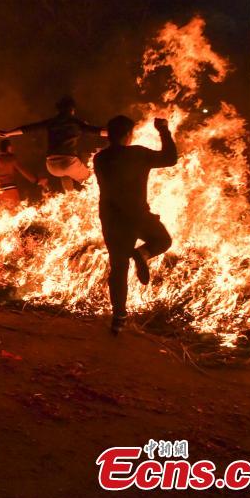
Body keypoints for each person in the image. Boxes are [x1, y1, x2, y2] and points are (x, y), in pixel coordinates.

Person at [94, 115, 178, 335]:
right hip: (137, 215)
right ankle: (143, 253)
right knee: (163, 240)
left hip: (111, 218)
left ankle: (118, 318)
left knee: (118, 268)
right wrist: (163, 131)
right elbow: (170, 158)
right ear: (128, 134)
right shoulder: (138, 153)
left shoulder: (100, 158)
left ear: (109, 134)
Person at [0, 96, 106, 191]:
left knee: (66, 175)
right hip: (68, 163)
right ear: (72, 110)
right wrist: (117, 133)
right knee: (90, 180)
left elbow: (29, 128)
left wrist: (9, 133)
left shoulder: (51, 122)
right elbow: (97, 131)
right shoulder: (76, 122)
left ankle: (69, 199)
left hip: (51, 166)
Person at [0, 139, 48, 208]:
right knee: (14, 212)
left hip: (0, 190)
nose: (12, 148)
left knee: (4, 213)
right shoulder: (12, 159)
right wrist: (36, 181)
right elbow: (24, 172)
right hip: (11, 189)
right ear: (8, 147)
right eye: (11, 146)